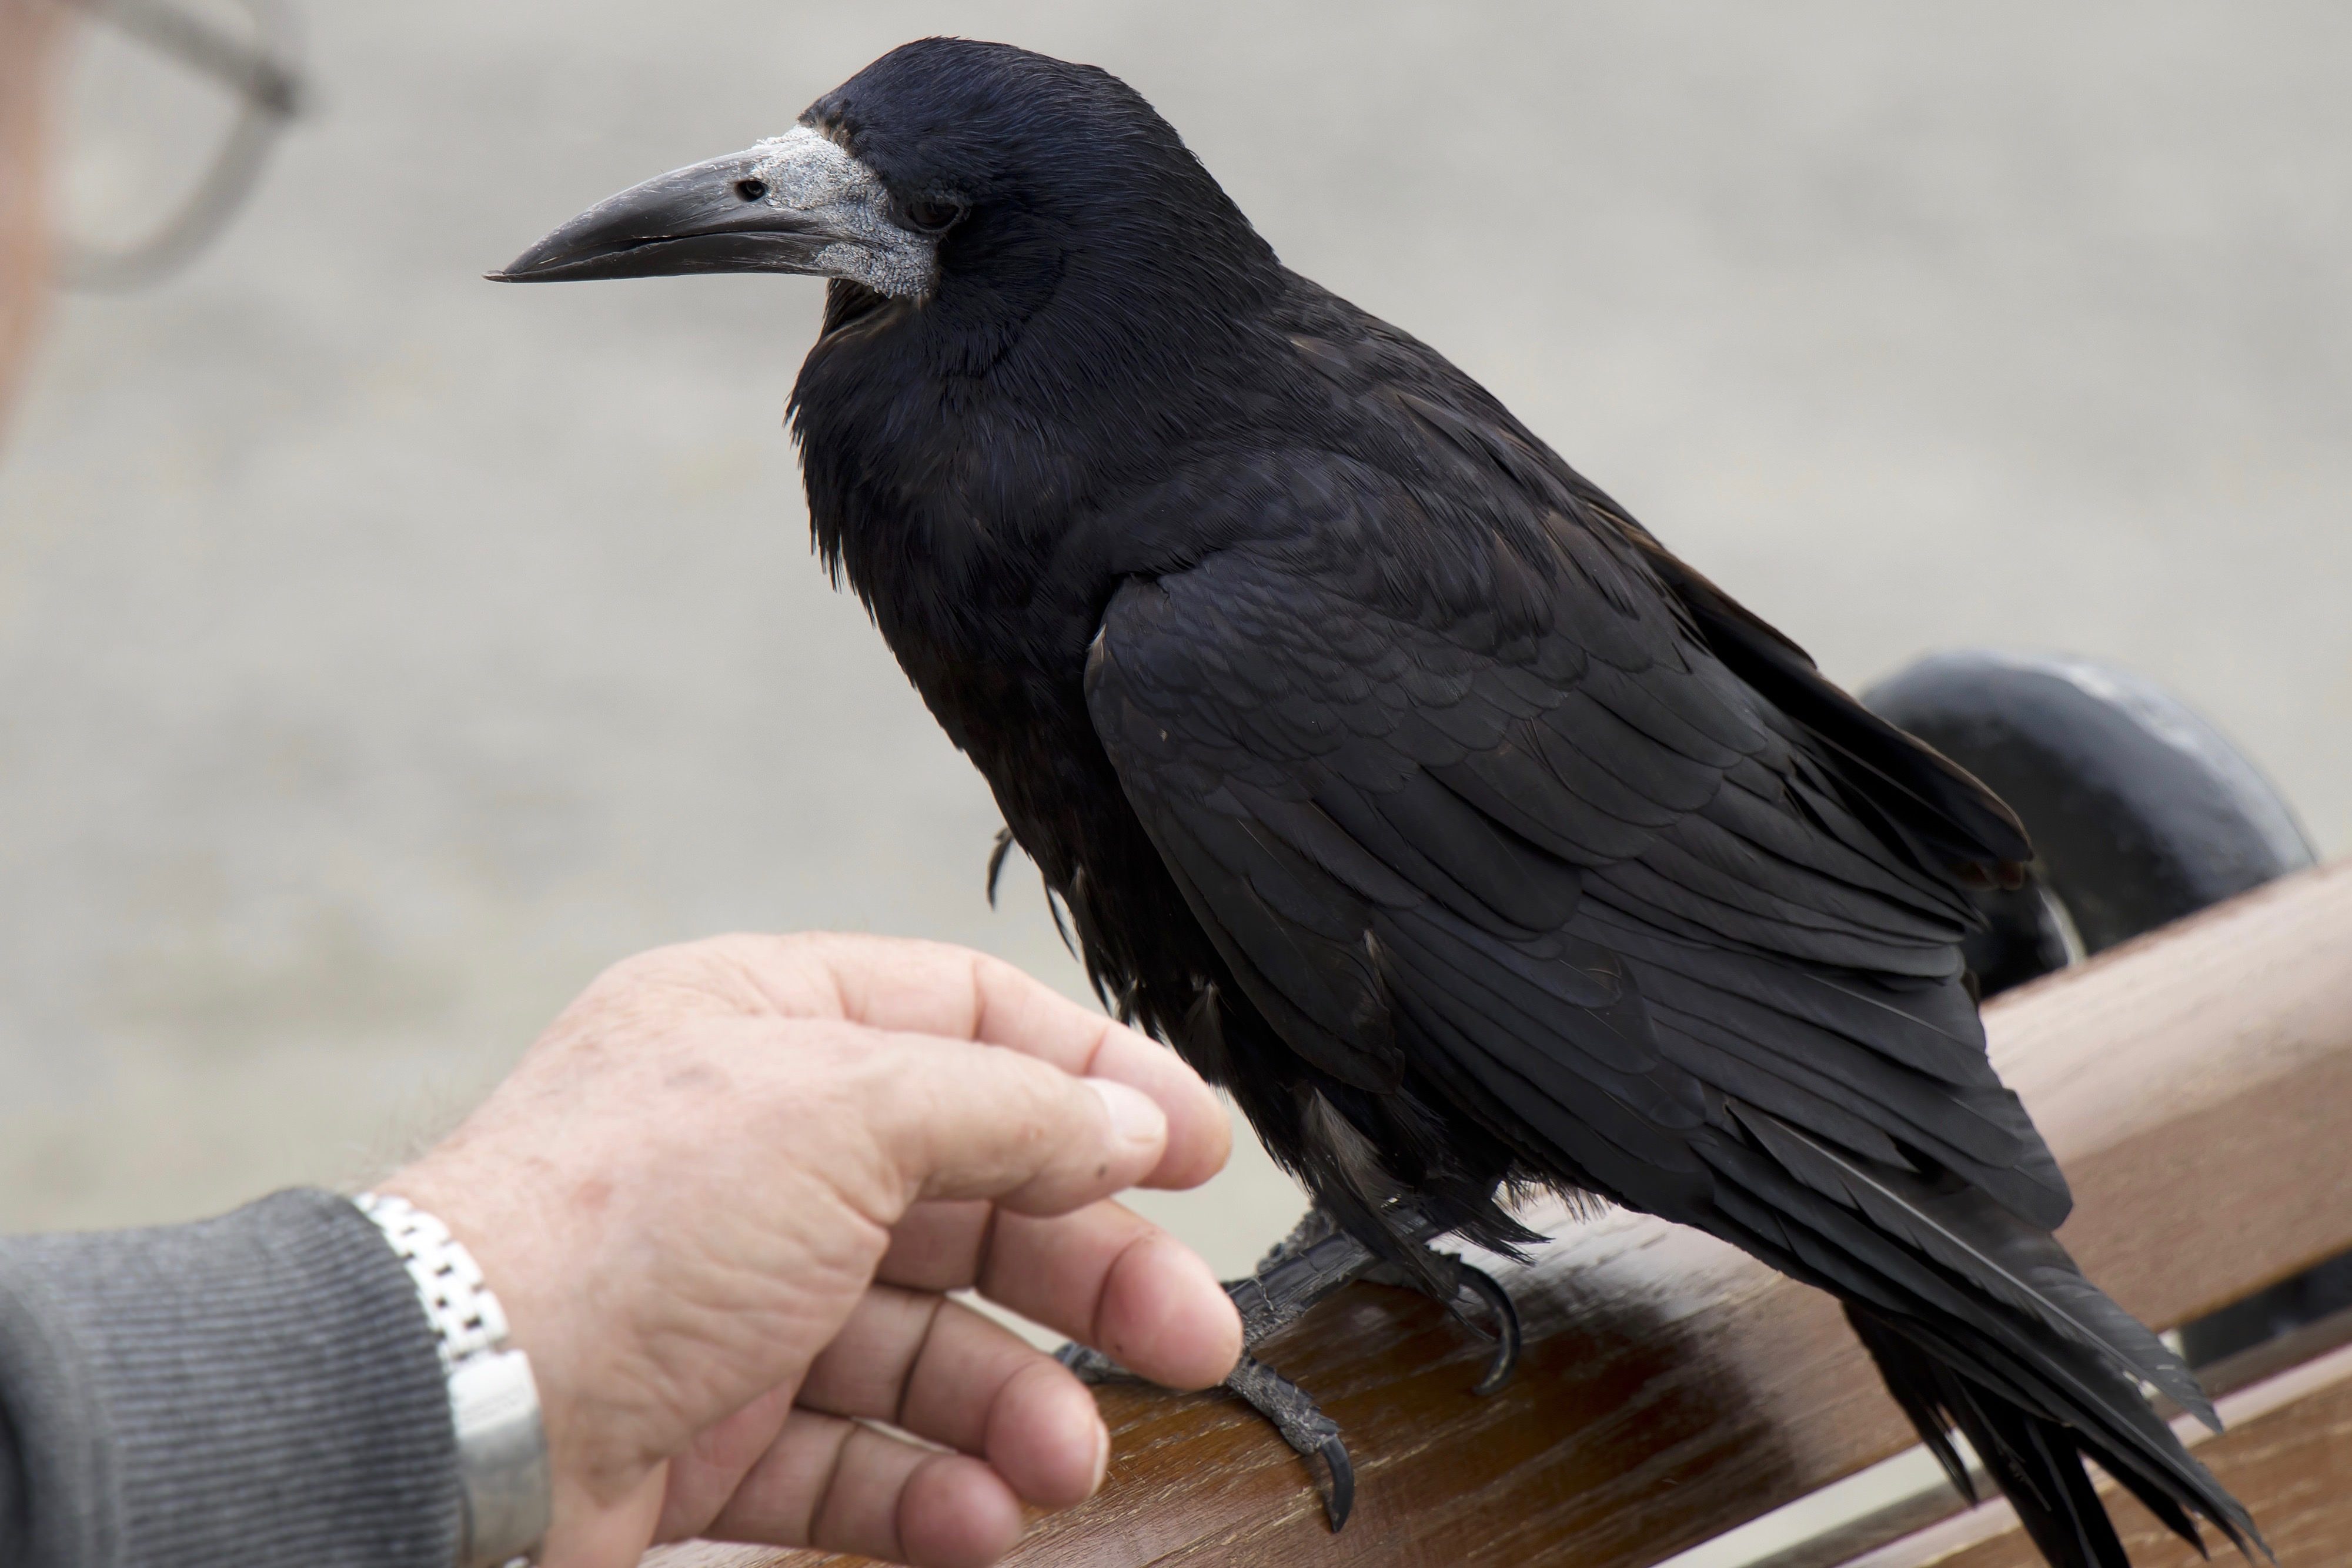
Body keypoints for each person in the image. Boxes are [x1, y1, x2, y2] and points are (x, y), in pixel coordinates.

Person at [0, 6, 1245, 1567]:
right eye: (48, 63)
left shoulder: (1244, 575)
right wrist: (470, 1329)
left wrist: (487, 1320)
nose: (50, 222)